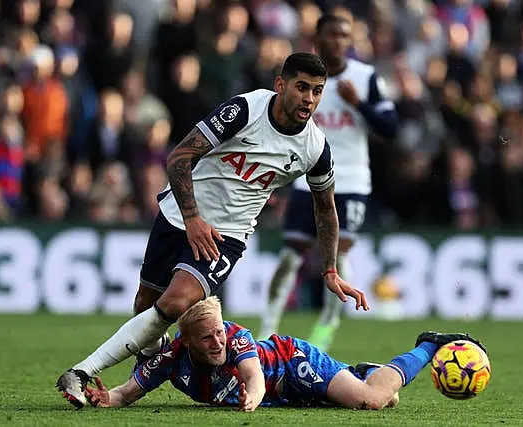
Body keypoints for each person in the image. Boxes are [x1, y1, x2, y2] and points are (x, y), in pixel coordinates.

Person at [56, 52, 369, 409]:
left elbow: (325, 209)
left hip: (226, 236)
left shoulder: (315, 147)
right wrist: (192, 218)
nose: (309, 99)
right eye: (301, 88)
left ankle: (81, 372)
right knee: (145, 306)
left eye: (317, 91)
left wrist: (330, 269)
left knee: (173, 303)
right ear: (280, 85)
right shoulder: (245, 111)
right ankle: (144, 374)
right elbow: (179, 157)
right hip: (179, 215)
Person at [259, 15, 398, 350]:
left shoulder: (364, 78)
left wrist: (358, 104)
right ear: (317, 38)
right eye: (332, 34)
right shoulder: (300, 80)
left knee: (335, 254)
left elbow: (391, 128)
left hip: (350, 182)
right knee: (290, 257)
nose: (339, 41)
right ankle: (266, 330)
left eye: (345, 35)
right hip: (305, 181)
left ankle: (327, 324)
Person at [82, 296, 487, 411]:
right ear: (185, 341)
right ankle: (364, 370)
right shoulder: (171, 359)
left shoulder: (236, 338)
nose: (217, 342)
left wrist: (253, 396)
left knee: (374, 399)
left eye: (219, 332)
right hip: (286, 396)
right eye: (207, 338)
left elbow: (253, 374)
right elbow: (126, 394)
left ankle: (428, 345)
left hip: (293, 366)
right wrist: (105, 398)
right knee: (387, 393)